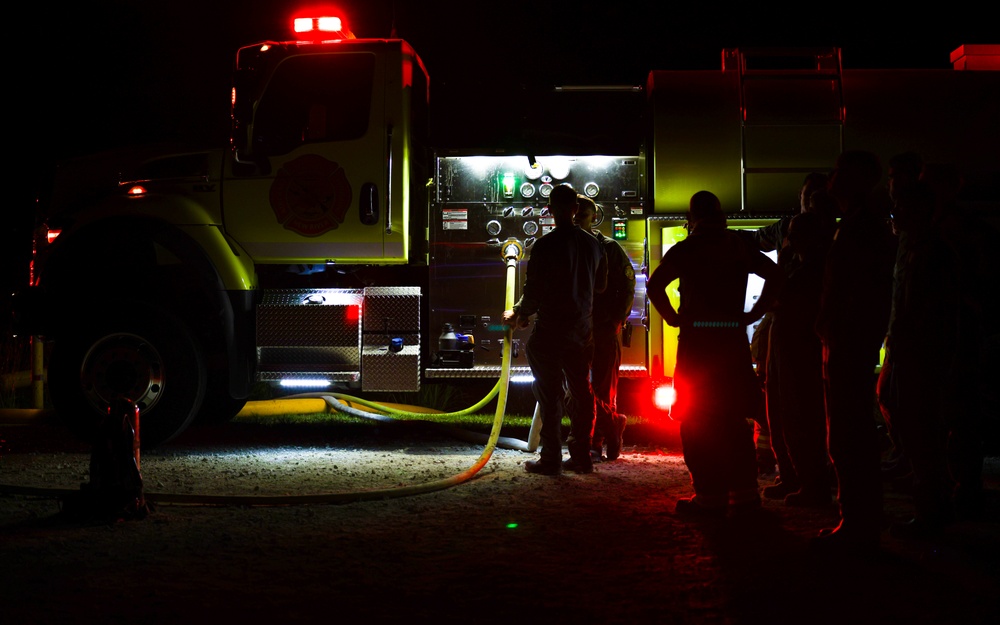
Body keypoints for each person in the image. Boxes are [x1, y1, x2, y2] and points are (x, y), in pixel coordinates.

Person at [647, 191, 782, 515]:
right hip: (732, 342)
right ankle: (746, 495)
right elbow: (776, 275)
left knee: (697, 420)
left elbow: (655, 285)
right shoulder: (738, 245)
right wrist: (756, 312)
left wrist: (673, 317)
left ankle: (709, 497)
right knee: (735, 419)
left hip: (696, 344)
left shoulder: (686, 248)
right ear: (720, 215)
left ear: (691, 219)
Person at [813, 150, 896, 552]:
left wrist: (836, 330)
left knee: (848, 434)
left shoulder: (861, 228)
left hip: (849, 343)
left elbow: (860, 292)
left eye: (840, 172)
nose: (832, 178)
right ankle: (861, 519)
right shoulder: (860, 225)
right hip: (848, 341)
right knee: (849, 431)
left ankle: (857, 523)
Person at [504, 184, 607, 475]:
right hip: (581, 331)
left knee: (549, 393)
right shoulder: (594, 245)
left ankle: (550, 458)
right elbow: (600, 286)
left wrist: (520, 312)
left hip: (550, 331)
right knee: (581, 392)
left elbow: (534, 290)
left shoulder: (545, 245)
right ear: (576, 209)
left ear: (549, 210)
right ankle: (582, 455)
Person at [762, 209, 835, 507]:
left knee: (799, 418)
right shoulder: (803, 266)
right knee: (784, 416)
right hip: (788, 350)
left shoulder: (811, 271)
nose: (789, 239)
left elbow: (777, 297)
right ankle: (797, 478)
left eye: (794, 234)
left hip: (799, 353)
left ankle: (812, 486)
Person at [573, 196, 636, 462]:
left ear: (593, 218)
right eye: (575, 217)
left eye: (582, 217)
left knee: (601, 387)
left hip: (602, 326)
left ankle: (596, 443)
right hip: (576, 327)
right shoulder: (568, 246)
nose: (577, 222)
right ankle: (613, 426)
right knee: (575, 389)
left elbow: (628, 284)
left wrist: (617, 319)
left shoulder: (609, 248)